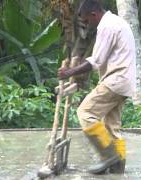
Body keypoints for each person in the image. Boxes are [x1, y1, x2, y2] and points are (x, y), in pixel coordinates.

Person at [57, 0, 136, 174]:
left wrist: (69, 72)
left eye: (86, 21)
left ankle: (108, 156)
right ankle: (118, 167)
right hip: (125, 82)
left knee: (85, 113)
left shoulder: (106, 26)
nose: (87, 25)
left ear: (94, 15)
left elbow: (96, 60)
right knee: (112, 127)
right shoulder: (117, 22)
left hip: (115, 81)